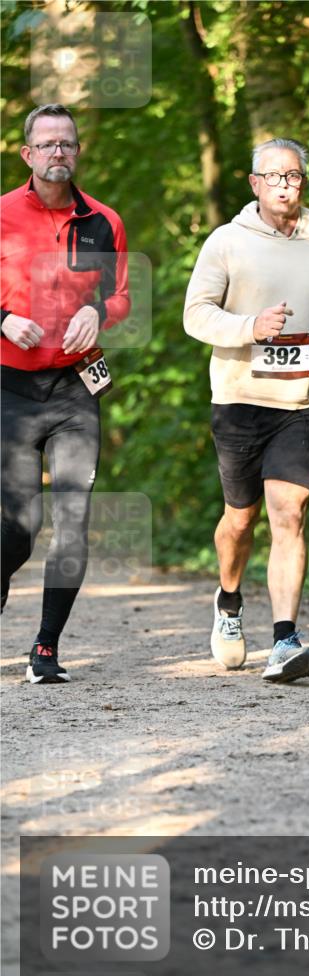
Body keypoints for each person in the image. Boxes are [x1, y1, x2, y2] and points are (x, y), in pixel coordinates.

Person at [184, 138, 309, 683]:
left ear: (304, 183)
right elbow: (195, 315)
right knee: (240, 521)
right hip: (240, 399)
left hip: (304, 402)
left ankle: (285, 640)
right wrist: (250, 328)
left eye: (294, 177)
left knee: (289, 513)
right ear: (254, 183)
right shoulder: (226, 242)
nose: (286, 185)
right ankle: (229, 601)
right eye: (275, 177)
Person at [1, 104, 130, 683]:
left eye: (68, 143)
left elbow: (123, 295)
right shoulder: (1, 214)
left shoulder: (103, 221)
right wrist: (2, 319)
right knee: (18, 528)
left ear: (78, 153)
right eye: (48, 143)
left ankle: (46, 649)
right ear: (27, 154)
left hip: (76, 387)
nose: (59, 151)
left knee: (73, 519)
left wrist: (96, 312)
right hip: (9, 390)